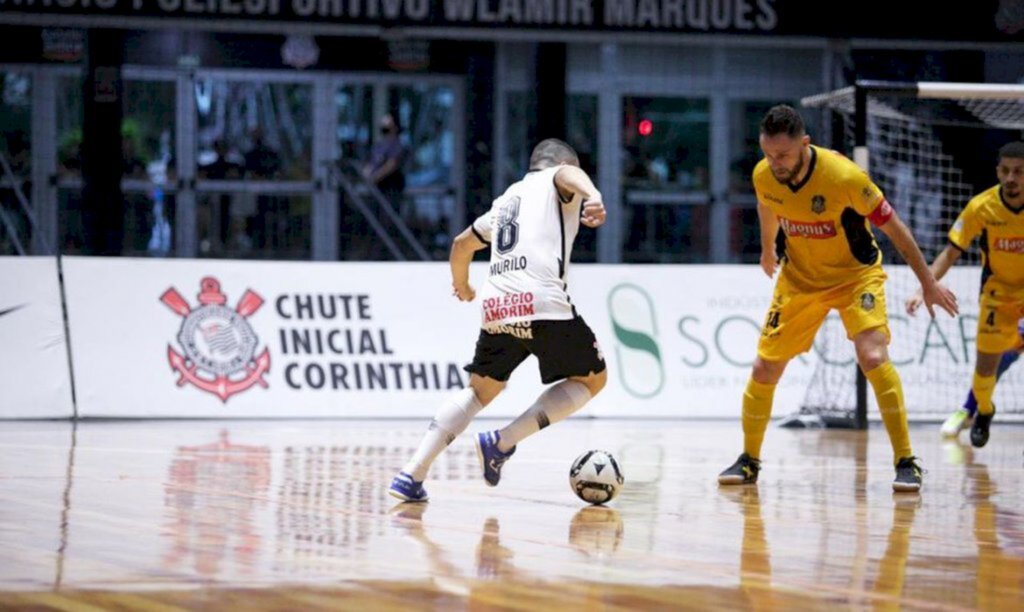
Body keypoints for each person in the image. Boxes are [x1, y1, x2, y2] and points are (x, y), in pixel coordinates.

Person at [717, 105, 958, 492]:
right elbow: (767, 204)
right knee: (764, 369)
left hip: (854, 277)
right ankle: (749, 461)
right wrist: (767, 248)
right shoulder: (765, 173)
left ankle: (906, 461)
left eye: (782, 155)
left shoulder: (844, 177)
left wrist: (928, 281)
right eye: (768, 154)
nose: (774, 163)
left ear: (805, 144)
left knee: (873, 356)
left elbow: (895, 228)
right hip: (798, 280)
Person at [389, 138, 608, 502]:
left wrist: (463, 286)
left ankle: (411, 474)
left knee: (479, 390)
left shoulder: (506, 200)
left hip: (496, 307)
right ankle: (501, 442)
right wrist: (594, 194)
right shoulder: (559, 177)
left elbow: (461, 244)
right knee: (592, 379)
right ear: (560, 164)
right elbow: (568, 173)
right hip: (542, 302)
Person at [905, 142, 1024, 447]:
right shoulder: (981, 208)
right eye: (1006, 171)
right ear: (998, 171)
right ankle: (983, 410)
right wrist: (924, 287)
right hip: (997, 298)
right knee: (986, 370)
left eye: (1019, 172)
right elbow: (950, 253)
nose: (1011, 178)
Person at [363, 113, 408, 212]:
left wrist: (374, 177)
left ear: (395, 128)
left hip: (391, 188)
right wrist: (366, 174)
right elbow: (371, 163)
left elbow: (391, 165)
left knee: (388, 216)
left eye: (387, 128)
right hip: (377, 189)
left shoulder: (397, 145)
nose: (385, 130)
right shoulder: (378, 146)